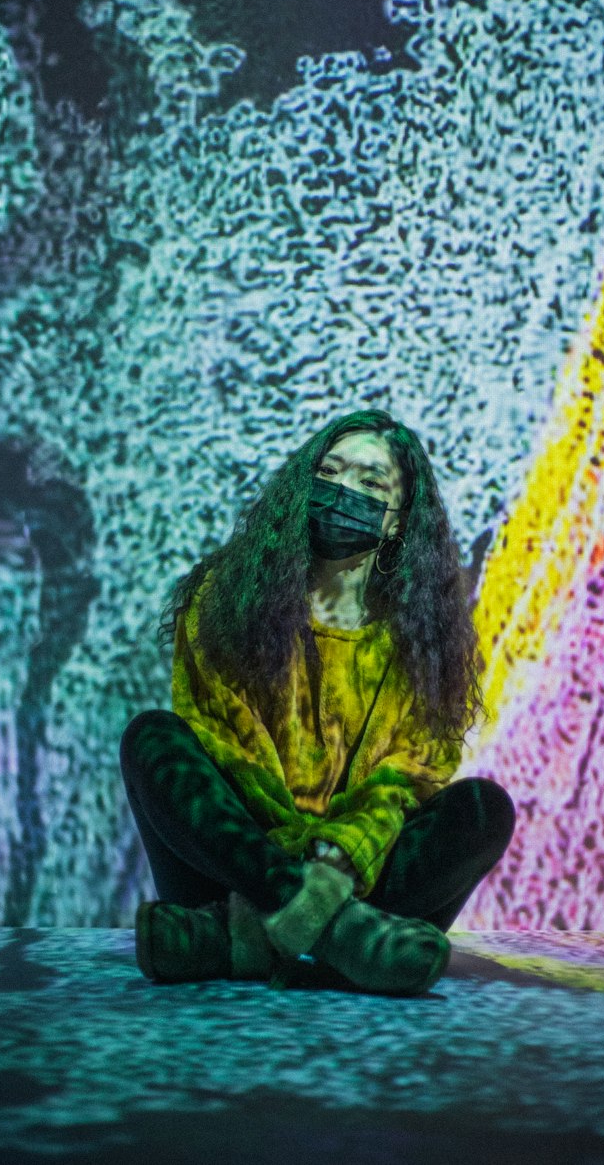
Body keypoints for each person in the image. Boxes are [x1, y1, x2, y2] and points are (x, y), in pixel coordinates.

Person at [120, 408, 514, 995]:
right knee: (152, 739)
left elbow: (411, 775)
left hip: (356, 871)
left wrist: (346, 854)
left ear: (396, 523)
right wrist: (305, 874)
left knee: (485, 809)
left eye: (370, 484)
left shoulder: (419, 642)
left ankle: (236, 942)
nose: (343, 491)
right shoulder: (222, 601)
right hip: (239, 867)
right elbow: (224, 744)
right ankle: (344, 942)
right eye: (329, 473)